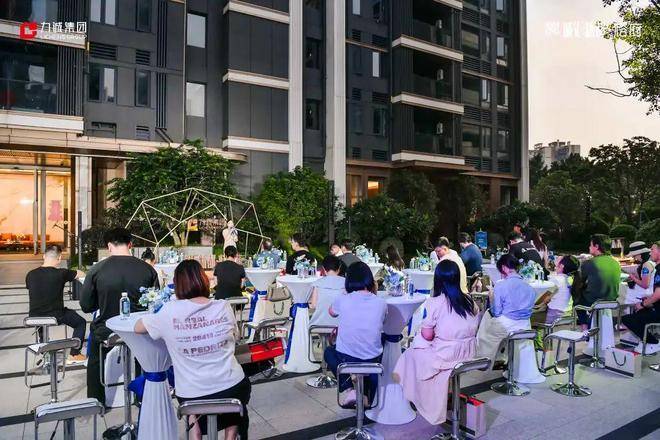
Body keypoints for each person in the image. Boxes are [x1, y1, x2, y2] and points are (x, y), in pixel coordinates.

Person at [135, 260, 250, 440]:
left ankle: (195, 431)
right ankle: (231, 436)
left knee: (193, 412)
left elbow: (138, 328)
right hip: (232, 385)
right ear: (204, 280)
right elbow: (235, 337)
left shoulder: (169, 311)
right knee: (236, 405)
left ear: (177, 285)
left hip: (191, 394)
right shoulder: (223, 306)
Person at [393, 260, 479, 425]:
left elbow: (427, 335)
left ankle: (417, 397)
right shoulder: (469, 300)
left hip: (446, 355)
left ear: (437, 279)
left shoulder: (436, 302)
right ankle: (441, 395)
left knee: (410, 354)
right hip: (469, 352)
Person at [80, 227, 159, 403]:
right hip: (139, 330)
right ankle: (142, 396)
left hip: (107, 329)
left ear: (109, 246)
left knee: (95, 353)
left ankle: (96, 399)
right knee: (145, 351)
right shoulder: (147, 269)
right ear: (130, 244)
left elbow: (86, 306)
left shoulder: (97, 270)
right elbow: (155, 305)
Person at [324, 262, 387, 406]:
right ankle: (369, 396)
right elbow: (384, 322)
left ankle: (349, 389)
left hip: (346, 358)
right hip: (373, 359)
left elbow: (331, 312)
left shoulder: (343, 299)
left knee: (329, 352)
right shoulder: (381, 303)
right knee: (383, 341)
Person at [476, 253, 544, 383]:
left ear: (504, 268)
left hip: (507, 326)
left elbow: (496, 312)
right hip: (525, 326)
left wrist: (491, 297)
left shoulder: (501, 285)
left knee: (485, 328)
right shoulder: (529, 287)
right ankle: (504, 358)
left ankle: (484, 360)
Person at [26, 245, 87, 364]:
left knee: (41, 317)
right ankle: (74, 354)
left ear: (44, 256)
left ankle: (44, 347)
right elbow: (80, 274)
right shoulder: (62, 273)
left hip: (33, 317)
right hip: (56, 315)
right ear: (59, 259)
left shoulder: (30, 274)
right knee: (80, 322)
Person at [575, 234, 621, 330]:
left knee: (576, 294)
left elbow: (579, 282)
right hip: (613, 299)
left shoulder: (589, 263)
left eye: (590, 245)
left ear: (596, 246)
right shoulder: (616, 262)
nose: (589, 247)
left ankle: (584, 327)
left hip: (594, 301)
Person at [621, 241, 660, 354]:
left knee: (627, 319)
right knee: (638, 314)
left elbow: (648, 286)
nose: (650, 252)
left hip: (653, 304)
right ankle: (646, 340)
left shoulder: (647, 265)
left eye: (652, 249)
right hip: (653, 302)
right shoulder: (652, 265)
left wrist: (643, 304)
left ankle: (652, 342)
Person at [309, 255, 345, 328]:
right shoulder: (346, 283)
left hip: (318, 325)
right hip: (341, 325)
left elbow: (314, 305)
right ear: (339, 269)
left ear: (324, 269)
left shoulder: (318, 283)